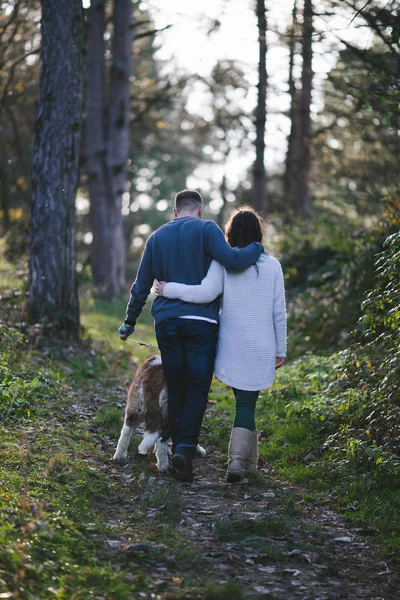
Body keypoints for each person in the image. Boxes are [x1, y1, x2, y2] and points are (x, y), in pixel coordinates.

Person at [118, 190, 264, 482]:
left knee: (179, 385)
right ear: (200, 210)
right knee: (198, 387)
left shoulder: (157, 237)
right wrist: (256, 248)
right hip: (202, 323)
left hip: (168, 322)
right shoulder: (208, 229)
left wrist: (129, 322)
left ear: (175, 212)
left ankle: (174, 446)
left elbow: (141, 284)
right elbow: (234, 260)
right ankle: (183, 449)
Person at [156, 206, 286, 483]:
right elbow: (279, 312)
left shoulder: (222, 263)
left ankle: (247, 464)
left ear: (230, 233)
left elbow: (206, 293)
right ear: (258, 233)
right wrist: (280, 349)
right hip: (262, 342)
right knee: (247, 404)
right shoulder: (273, 266)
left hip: (230, 342)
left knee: (244, 401)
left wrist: (169, 289)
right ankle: (238, 464)